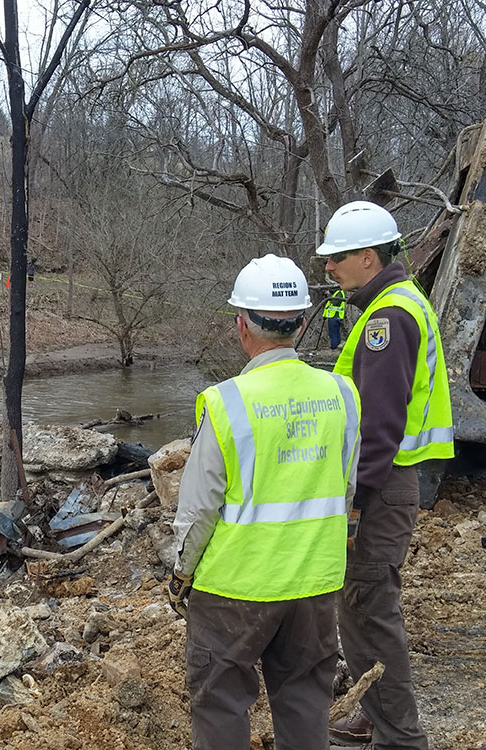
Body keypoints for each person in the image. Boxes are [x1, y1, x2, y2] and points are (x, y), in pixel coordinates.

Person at [168, 254, 361, 750]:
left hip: (235, 587)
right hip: (315, 583)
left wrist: (181, 575)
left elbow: (198, 509)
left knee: (220, 701)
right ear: (300, 323)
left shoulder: (227, 401)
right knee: (304, 701)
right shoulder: (341, 394)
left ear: (242, 326)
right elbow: (345, 489)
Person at [316, 201, 454, 749]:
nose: (329, 267)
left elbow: (379, 426)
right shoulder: (399, 302)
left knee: (371, 607)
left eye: (337, 258)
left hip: (381, 485)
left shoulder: (386, 320)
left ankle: (400, 735)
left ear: (368, 258)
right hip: (390, 481)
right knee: (359, 603)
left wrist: (356, 503)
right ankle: (376, 713)